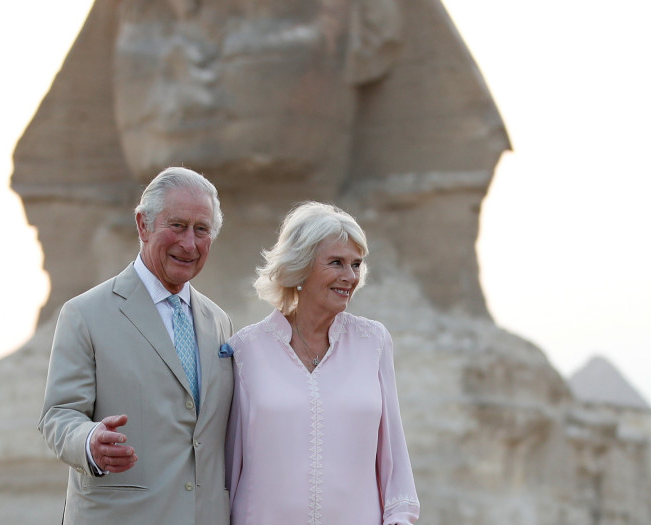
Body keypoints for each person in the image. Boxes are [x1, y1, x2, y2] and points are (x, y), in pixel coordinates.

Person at [38, 167, 235, 524]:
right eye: (176, 225)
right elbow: (58, 415)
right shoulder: (85, 314)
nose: (189, 243)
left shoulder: (219, 322)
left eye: (201, 230)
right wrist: (90, 442)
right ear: (143, 225)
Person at [225, 202, 420, 524]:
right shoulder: (245, 350)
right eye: (336, 263)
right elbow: (229, 466)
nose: (350, 277)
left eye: (356, 265)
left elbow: (393, 451)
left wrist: (400, 516)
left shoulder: (373, 342)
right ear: (299, 267)